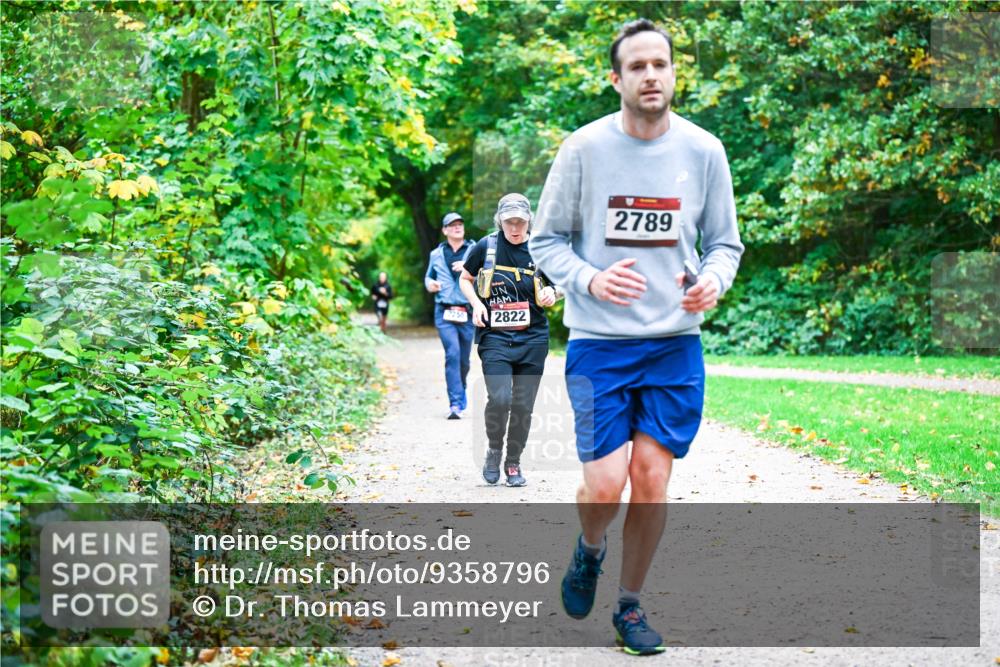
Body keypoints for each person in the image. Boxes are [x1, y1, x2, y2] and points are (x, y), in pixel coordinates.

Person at [529, 18, 744, 656]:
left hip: (674, 343)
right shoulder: (583, 149)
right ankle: (589, 549)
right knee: (604, 486)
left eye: (662, 64)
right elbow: (545, 241)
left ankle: (629, 606)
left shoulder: (704, 151)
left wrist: (713, 281)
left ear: (674, 73)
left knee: (651, 478)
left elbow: (725, 244)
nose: (652, 75)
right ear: (616, 78)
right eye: (639, 66)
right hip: (599, 343)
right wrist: (590, 281)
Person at [458, 193, 558, 487]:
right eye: (509, 221)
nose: (514, 227)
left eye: (520, 221)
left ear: (529, 221)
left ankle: (513, 461)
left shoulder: (541, 249)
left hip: (534, 337)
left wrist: (554, 293)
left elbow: (559, 283)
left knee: (524, 404)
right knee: (500, 398)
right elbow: (465, 278)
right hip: (495, 337)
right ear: (499, 221)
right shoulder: (485, 246)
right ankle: (494, 450)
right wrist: (476, 304)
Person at [425, 212, 476, 420]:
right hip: (444, 311)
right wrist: (430, 285)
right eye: (452, 225)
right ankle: (455, 403)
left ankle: (460, 387)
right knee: (452, 353)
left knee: (464, 360)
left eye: (460, 224)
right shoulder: (435, 254)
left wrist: (468, 268)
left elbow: (487, 274)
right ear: (445, 230)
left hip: (467, 310)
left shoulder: (474, 250)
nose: (457, 227)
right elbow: (429, 277)